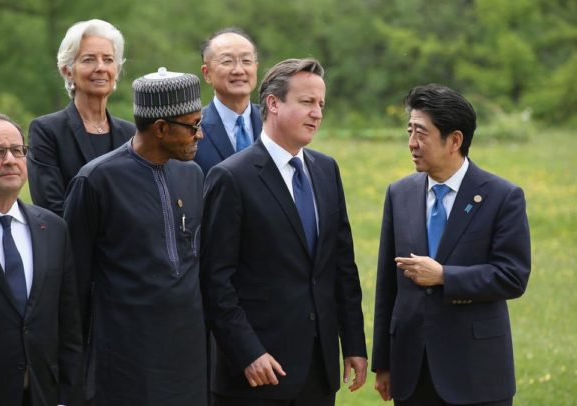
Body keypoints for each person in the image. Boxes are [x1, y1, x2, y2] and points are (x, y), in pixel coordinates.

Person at [201, 58, 367, 406]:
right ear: (273, 104)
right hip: (256, 373)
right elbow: (215, 280)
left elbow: (341, 266)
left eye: (321, 104)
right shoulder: (231, 177)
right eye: (307, 102)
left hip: (318, 373)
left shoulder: (326, 170)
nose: (317, 113)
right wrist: (247, 352)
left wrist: (353, 344)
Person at [372, 84, 531, 405]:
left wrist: (445, 275)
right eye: (409, 131)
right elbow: (387, 286)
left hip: (476, 373)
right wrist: (384, 363)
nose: (411, 143)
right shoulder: (399, 193)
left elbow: (512, 276)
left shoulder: (502, 197)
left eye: (421, 133)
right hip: (412, 373)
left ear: (455, 140)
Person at [63, 68, 207, 405]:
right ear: (160, 128)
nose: (199, 135)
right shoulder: (96, 181)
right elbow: (73, 285)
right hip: (125, 359)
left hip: (188, 357)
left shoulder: (193, 174)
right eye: (193, 126)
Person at [0, 113, 82, 405]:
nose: (10, 159)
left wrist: (67, 397)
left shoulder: (52, 229)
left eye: (18, 150)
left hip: (43, 395)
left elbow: (69, 326)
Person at [28, 19, 135, 216]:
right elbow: (51, 210)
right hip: (74, 245)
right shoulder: (47, 131)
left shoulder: (131, 134)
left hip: (127, 246)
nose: (101, 67)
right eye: (89, 59)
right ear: (68, 71)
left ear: (117, 70)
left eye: (108, 59)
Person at [196, 27, 262, 175]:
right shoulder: (192, 129)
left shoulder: (275, 122)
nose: (239, 70)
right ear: (207, 73)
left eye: (246, 61)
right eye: (227, 61)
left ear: (255, 68)